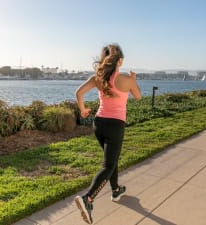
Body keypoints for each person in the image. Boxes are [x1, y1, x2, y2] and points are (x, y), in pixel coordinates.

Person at [74, 43, 141, 224]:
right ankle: (88, 199)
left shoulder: (97, 78)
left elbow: (78, 93)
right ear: (120, 60)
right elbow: (138, 96)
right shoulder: (126, 79)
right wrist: (134, 80)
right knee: (108, 164)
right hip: (115, 125)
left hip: (99, 124)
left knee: (112, 160)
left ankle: (116, 190)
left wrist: (83, 110)